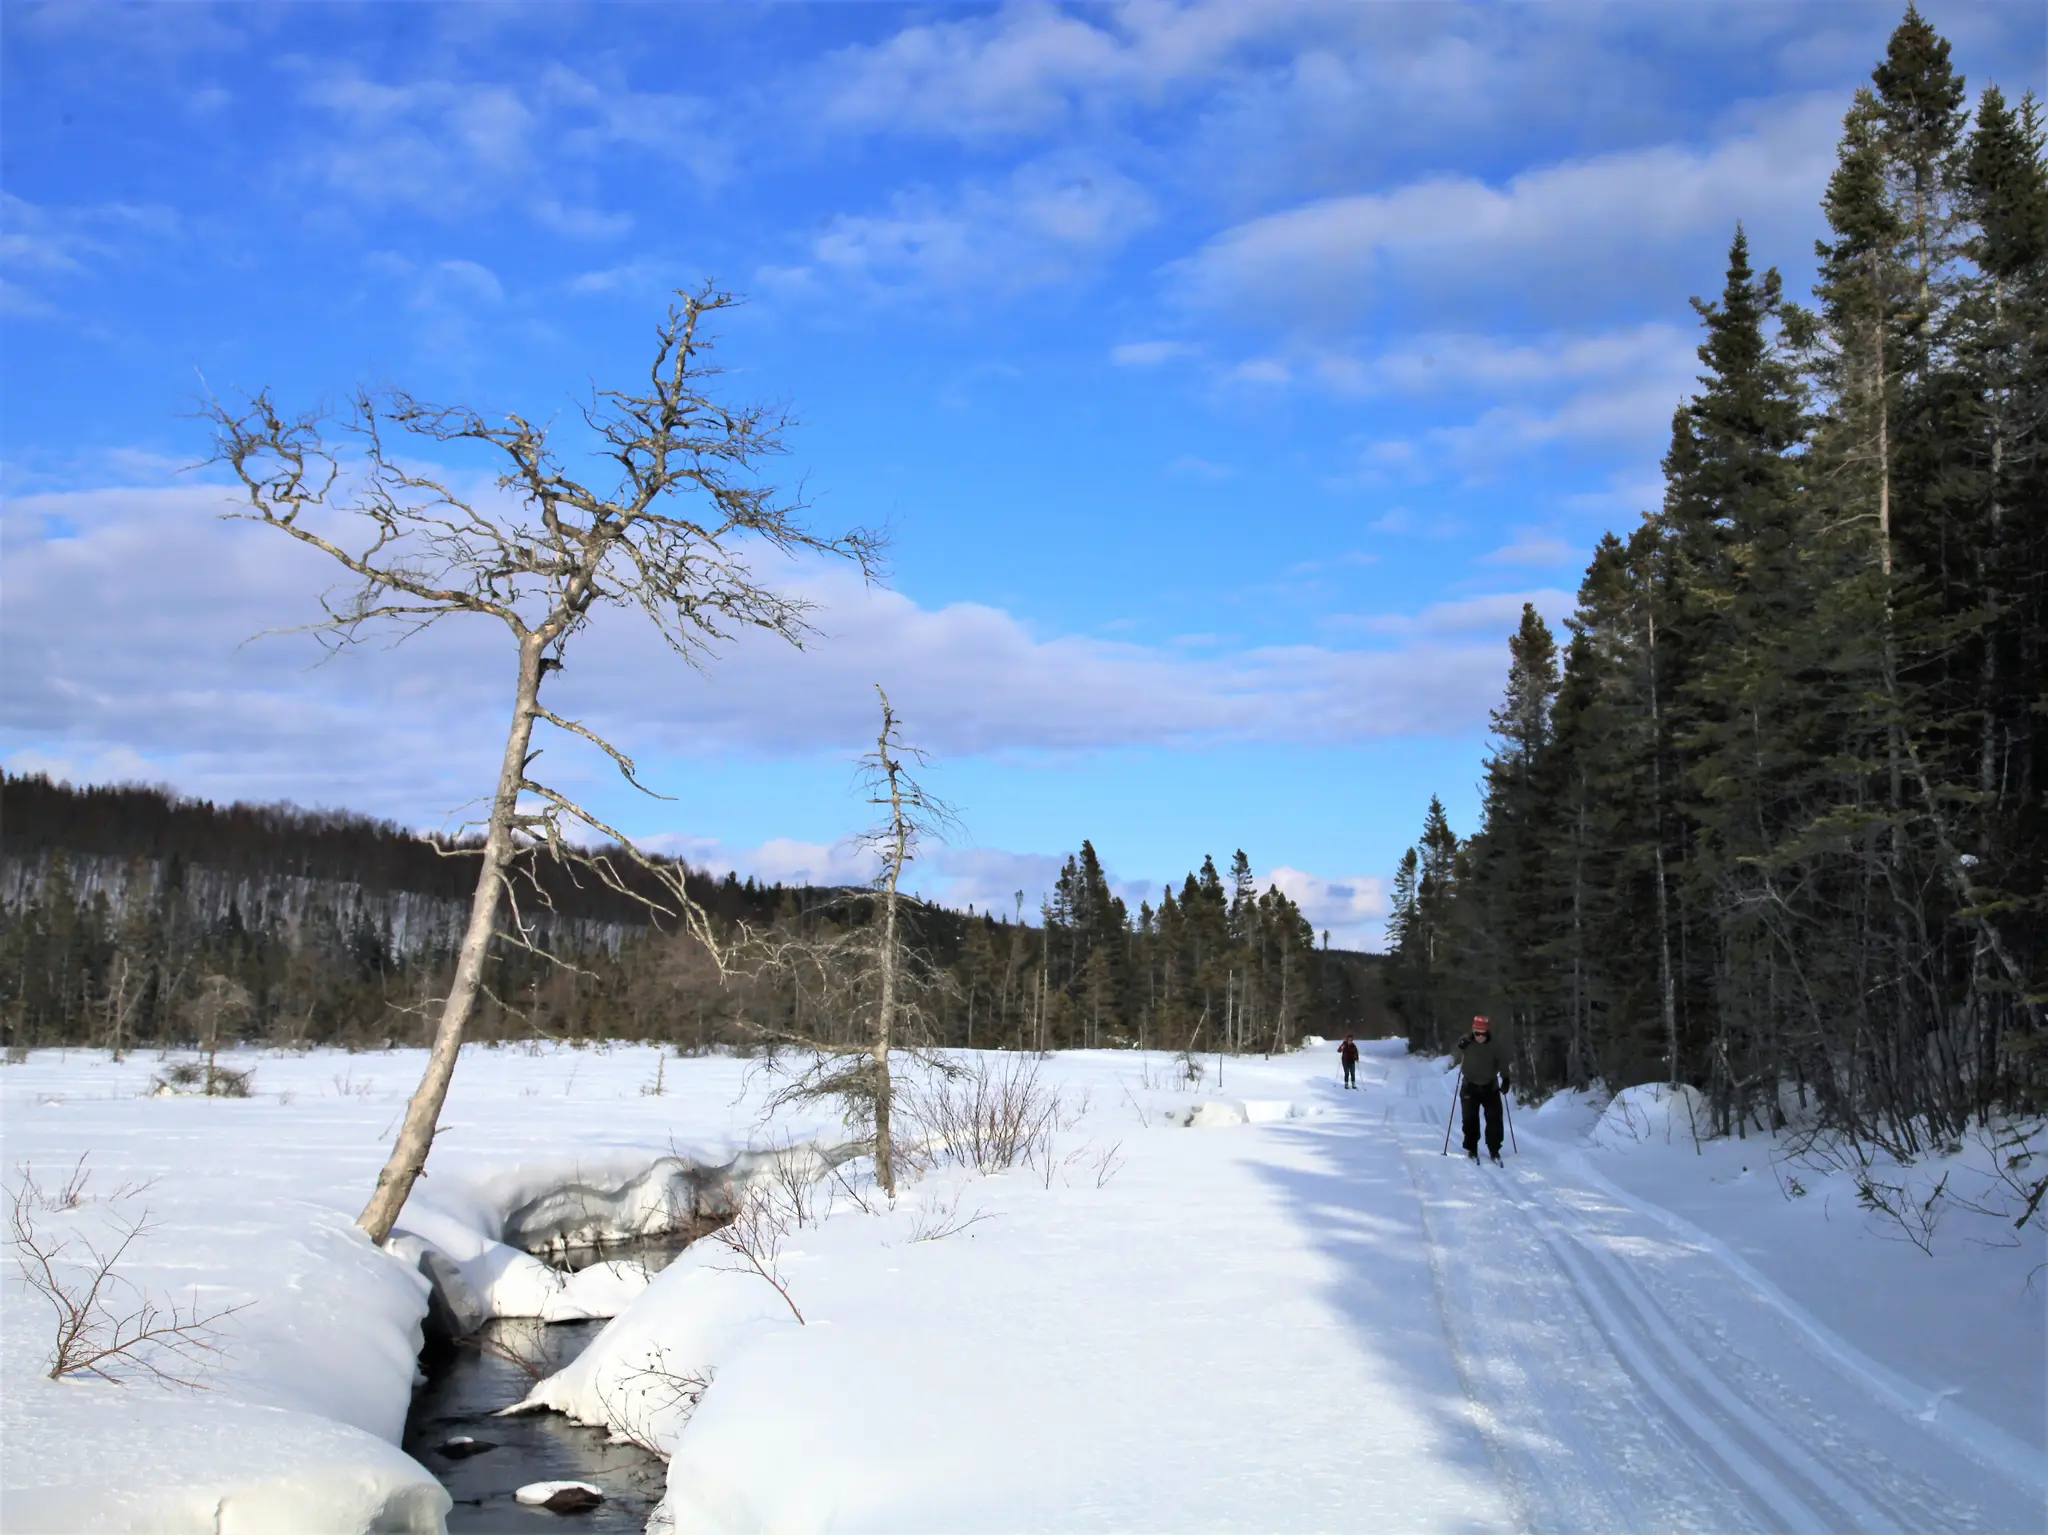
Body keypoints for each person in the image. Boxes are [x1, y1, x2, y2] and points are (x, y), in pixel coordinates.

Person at [1455, 1015, 1510, 1162]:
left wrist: (1506, 1079)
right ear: (1473, 1031)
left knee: (1494, 1119)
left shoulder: (1495, 1045)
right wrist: (1461, 1044)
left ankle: (1494, 1149)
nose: (1479, 1036)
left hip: (1489, 1086)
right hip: (1469, 1085)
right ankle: (1472, 1148)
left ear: (1487, 1032)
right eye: (1477, 1033)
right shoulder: (1466, 1041)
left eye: (1482, 1033)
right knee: (1469, 1119)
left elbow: (1503, 1062)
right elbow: (1458, 1047)